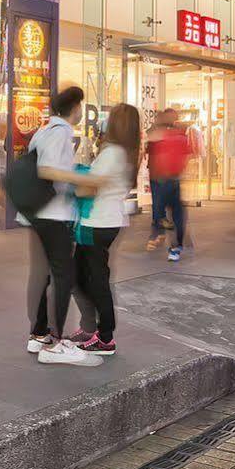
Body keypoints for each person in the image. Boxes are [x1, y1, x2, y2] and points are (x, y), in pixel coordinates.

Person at [22, 86, 99, 366]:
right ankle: (55, 341)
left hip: (41, 213)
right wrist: (83, 180)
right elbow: (47, 169)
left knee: (45, 276)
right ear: (75, 107)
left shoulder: (43, 131)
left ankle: (40, 334)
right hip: (54, 215)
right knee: (62, 276)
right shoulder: (60, 132)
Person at [71, 104, 140, 356]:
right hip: (108, 220)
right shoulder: (128, 153)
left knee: (93, 279)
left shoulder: (112, 153)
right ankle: (93, 329)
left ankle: (105, 336)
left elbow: (89, 187)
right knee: (85, 275)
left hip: (97, 222)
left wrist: (71, 178)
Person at [144, 108, 192, 261]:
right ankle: (170, 242)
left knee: (167, 213)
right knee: (166, 213)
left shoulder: (165, 135)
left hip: (166, 180)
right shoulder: (172, 135)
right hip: (163, 180)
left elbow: (184, 156)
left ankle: (169, 241)